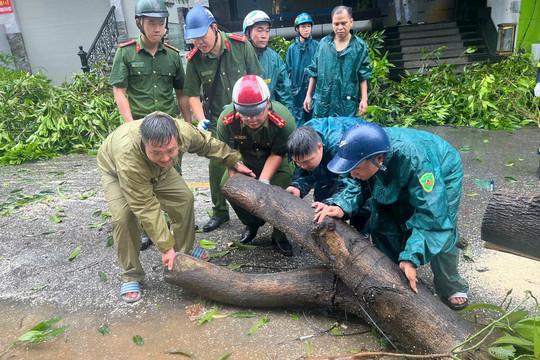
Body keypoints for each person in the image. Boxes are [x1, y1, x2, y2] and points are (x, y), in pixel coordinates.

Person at [97, 111, 255, 303]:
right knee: (124, 217)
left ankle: (183, 252)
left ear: (177, 139)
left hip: (158, 172)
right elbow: (146, 205)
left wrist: (234, 161)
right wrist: (165, 246)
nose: (165, 158)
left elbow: (206, 144)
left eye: (171, 151)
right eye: (156, 152)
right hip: (115, 170)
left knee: (184, 199)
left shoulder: (183, 132)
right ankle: (131, 274)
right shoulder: (128, 158)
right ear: (144, 143)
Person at [314, 122, 470, 311]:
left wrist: (412, 256)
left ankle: (451, 286)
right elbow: (355, 182)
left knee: (444, 228)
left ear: (379, 159)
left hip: (441, 168)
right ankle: (396, 276)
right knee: (382, 222)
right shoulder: (362, 158)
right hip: (388, 169)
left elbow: (432, 215)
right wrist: (341, 205)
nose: (352, 173)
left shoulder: (417, 161)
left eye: (356, 169)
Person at [109, 0, 191, 250]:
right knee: (143, 181)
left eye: (161, 23)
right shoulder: (125, 53)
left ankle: (177, 230)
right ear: (139, 23)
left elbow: (181, 93)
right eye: (151, 23)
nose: (157, 28)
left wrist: (187, 124)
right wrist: (129, 127)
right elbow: (120, 92)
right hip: (141, 130)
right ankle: (149, 229)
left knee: (173, 177)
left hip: (168, 130)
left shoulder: (174, 56)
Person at [183, 6, 264, 233]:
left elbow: (257, 80)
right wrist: (200, 120)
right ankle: (220, 212)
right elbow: (191, 94)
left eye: (202, 37)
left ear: (215, 28)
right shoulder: (195, 60)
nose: (199, 43)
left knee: (254, 163)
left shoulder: (240, 45)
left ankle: (259, 211)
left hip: (248, 116)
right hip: (220, 121)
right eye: (194, 39)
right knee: (217, 168)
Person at [217, 75, 296, 256]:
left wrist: (264, 181)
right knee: (227, 187)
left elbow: (278, 153)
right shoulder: (226, 120)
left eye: (258, 113)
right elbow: (227, 153)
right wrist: (235, 184)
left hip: (275, 161)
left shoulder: (284, 120)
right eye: (245, 115)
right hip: (243, 162)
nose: (252, 119)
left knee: (281, 194)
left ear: (268, 104)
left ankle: (279, 235)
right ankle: (252, 223)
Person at [285, 117, 370, 233]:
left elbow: (353, 186)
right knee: (321, 202)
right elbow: (304, 172)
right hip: (326, 159)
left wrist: (337, 205)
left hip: (356, 155)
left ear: (319, 147)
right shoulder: (301, 141)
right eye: (297, 162)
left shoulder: (342, 147)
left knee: (360, 208)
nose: (302, 165)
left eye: (306, 161)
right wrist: (297, 187)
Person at [303, 6, 372, 119]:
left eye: (343, 23)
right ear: (332, 24)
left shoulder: (359, 46)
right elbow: (314, 71)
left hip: (346, 104)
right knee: (321, 132)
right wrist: (308, 96)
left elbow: (363, 74)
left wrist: (364, 99)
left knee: (345, 134)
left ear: (351, 22)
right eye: (336, 24)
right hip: (323, 102)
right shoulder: (324, 44)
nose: (340, 27)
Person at [243, 10, 294, 112]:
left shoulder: (274, 59)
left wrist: (287, 119)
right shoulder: (238, 57)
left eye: (267, 30)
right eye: (259, 30)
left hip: (269, 116)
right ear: (248, 32)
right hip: (244, 116)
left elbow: (285, 95)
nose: (264, 35)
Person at [285, 13, 319, 128]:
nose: (306, 29)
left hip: (313, 93)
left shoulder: (317, 46)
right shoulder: (292, 49)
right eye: (303, 27)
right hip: (297, 94)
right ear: (297, 29)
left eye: (308, 26)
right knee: (298, 127)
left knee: (314, 126)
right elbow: (287, 72)